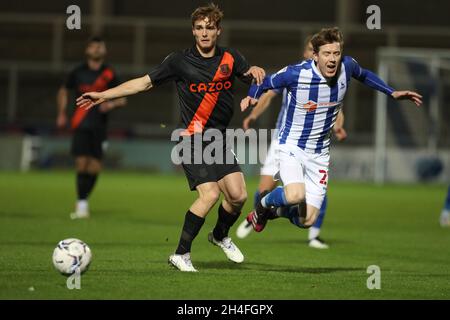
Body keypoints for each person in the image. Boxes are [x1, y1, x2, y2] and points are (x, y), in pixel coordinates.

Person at [75, 4, 265, 272]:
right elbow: (142, 83)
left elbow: (256, 79)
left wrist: (256, 77)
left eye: (210, 27)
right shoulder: (179, 61)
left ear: (218, 30)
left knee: (238, 196)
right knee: (210, 195)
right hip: (190, 137)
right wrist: (103, 95)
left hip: (219, 139)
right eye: (199, 28)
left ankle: (220, 235)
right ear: (193, 31)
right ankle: (181, 254)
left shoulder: (231, 58)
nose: (204, 33)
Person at [240, 27, 422, 235]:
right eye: (327, 53)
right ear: (315, 56)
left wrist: (392, 92)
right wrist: (253, 96)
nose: (333, 59)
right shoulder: (296, 73)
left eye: (336, 53)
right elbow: (263, 81)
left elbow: (364, 75)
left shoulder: (348, 66)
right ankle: (263, 205)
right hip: (292, 146)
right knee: (295, 195)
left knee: (306, 220)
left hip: (320, 154)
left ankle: (272, 213)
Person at [236, 37, 347, 249]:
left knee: (312, 195)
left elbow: (336, 108)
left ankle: (313, 234)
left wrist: (338, 125)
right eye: (308, 49)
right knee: (266, 188)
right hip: (285, 141)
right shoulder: (294, 76)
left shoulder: (332, 80)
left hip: (314, 147)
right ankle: (258, 215)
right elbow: (267, 95)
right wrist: (253, 115)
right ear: (309, 54)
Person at [56, 36, 127, 220]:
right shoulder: (78, 72)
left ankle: (84, 199)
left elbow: (122, 98)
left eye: (99, 47)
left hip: (99, 126)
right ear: (87, 50)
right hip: (81, 123)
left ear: (104, 50)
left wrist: (110, 105)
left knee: (95, 166)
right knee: (81, 163)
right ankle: (81, 203)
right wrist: (62, 113)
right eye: (93, 46)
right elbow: (64, 90)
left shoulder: (110, 73)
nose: (96, 49)